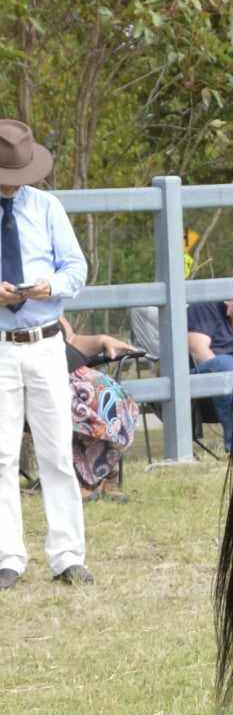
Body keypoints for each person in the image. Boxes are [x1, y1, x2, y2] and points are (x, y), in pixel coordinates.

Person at [0, 119, 91, 587]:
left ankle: (68, 555)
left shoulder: (48, 208)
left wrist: (48, 286)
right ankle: (7, 557)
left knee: (57, 451)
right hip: (1, 347)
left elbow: (76, 268)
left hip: (45, 340)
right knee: (0, 455)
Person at [186, 295, 233, 454]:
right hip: (202, 382)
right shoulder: (205, 307)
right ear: (229, 298)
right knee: (225, 363)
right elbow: (199, 352)